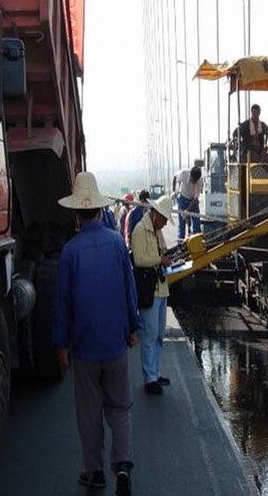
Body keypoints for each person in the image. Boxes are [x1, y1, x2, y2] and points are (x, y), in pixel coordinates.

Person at [52, 172, 141, 495]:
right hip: (116, 345)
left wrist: (61, 345)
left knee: (89, 414)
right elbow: (129, 291)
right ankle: (123, 468)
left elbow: (63, 304)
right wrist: (133, 328)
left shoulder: (70, 252)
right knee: (119, 407)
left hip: (86, 349)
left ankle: (94, 472)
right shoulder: (117, 243)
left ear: (76, 213)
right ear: (101, 209)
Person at [130, 195, 174, 395]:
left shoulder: (156, 231)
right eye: (164, 220)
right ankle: (149, 378)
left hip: (160, 289)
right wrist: (160, 260)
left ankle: (155, 372)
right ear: (155, 214)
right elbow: (139, 259)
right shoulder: (140, 230)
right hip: (150, 291)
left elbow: (162, 252)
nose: (165, 224)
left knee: (158, 335)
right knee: (149, 334)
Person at [172, 166, 203, 242]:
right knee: (181, 224)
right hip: (183, 198)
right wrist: (173, 191)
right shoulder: (184, 173)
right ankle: (180, 244)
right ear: (190, 175)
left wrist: (187, 211)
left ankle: (196, 242)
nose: (193, 182)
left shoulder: (199, 181)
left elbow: (195, 199)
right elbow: (175, 178)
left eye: (194, 181)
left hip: (193, 202)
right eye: (192, 180)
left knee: (196, 223)